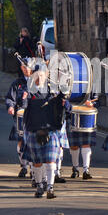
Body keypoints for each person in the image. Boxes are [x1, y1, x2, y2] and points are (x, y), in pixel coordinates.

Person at [19, 63, 71, 199]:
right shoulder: (28, 90)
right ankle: (39, 185)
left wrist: (65, 102)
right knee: (37, 161)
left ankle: (50, 187)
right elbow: (23, 104)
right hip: (33, 129)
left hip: (51, 130)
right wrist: (23, 99)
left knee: (51, 160)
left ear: (47, 75)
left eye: (42, 75)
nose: (40, 77)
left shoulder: (53, 91)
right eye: (37, 75)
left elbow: (66, 107)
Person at [6, 57, 34, 177]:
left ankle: (34, 168)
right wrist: (10, 107)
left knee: (33, 141)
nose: (26, 69)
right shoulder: (17, 83)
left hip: (34, 116)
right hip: (20, 116)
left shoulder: (38, 82)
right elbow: (9, 98)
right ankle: (23, 166)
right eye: (23, 67)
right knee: (21, 141)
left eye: (28, 67)